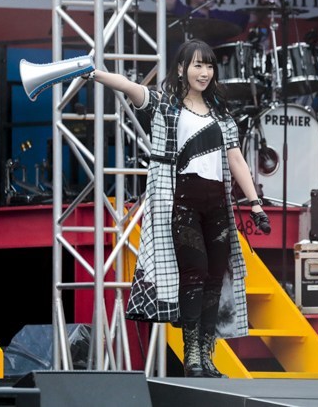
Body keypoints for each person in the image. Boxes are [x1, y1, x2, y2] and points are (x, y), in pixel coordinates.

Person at [84, 39, 271, 377]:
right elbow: (129, 86)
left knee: (215, 278)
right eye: (198, 65)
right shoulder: (165, 105)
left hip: (217, 205)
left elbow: (236, 159)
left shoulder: (221, 113)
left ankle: (206, 353)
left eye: (209, 66)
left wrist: (256, 205)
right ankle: (192, 355)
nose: (204, 72)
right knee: (194, 272)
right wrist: (94, 73)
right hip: (182, 202)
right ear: (182, 69)